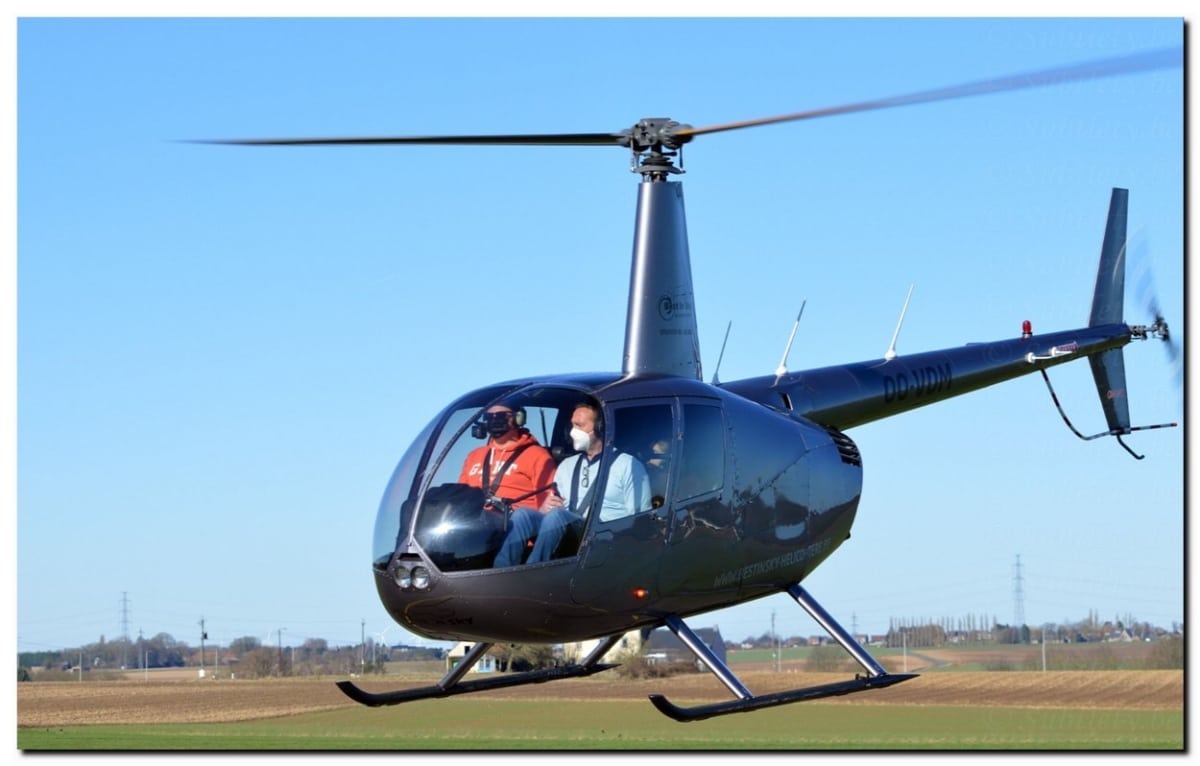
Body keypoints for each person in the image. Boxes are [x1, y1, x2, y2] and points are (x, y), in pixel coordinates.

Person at [495, 401, 652, 567]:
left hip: (603, 535)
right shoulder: (566, 465)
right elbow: (555, 509)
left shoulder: (628, 465)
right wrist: (545, 508)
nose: (573, 431)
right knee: (523, 515)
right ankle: (501, 570)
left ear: (600, 428)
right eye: (572, 425)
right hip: (570, 528)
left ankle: (532, 571)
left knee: (557, 517)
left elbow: (640, 517)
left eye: (580, 425)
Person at [458, 404, 556, 513]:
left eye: (501, 416)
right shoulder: (474, 456)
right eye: (489, 417)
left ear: (518, 418)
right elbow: (459, 498)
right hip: (474, 520)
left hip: (515, 520)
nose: (494, 420)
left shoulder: (538, 456)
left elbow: (546, 504)